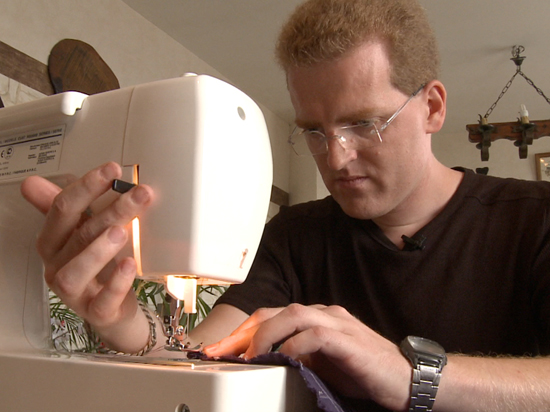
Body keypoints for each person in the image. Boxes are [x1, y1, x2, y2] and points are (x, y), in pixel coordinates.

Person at [21, 0, 550, 411]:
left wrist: (408, 374)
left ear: (431, 107)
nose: (336, 157)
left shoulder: (535, 218)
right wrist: (120, 320)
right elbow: (202, 353)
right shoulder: (296, 235)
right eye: (314, 131)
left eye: (363, 123)